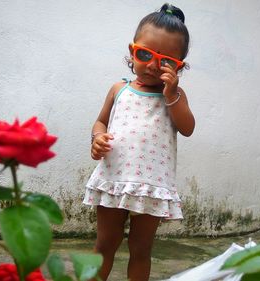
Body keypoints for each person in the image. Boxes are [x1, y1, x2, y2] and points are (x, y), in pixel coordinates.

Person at [83, 3, 195, 281]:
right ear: (132, 50)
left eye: (167, 61)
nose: (154, 66)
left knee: (141, 249)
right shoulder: (119, 89)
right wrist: (98, 138)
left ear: (179, 66)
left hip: (151, 186)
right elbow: (100, 122)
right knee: (105, 244)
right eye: (145, 54)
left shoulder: (175, 96)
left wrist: (172, 94)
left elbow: (188, 128)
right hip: (114, 179)